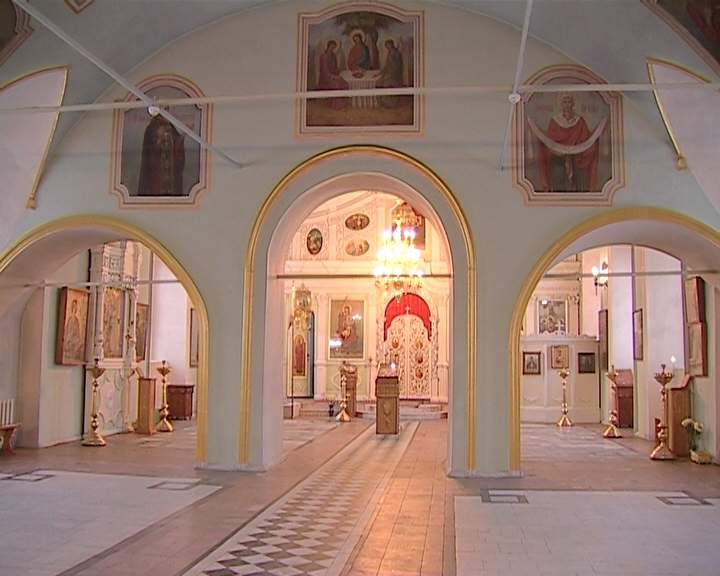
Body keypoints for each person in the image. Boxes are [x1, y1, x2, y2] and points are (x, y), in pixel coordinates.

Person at [529, 93, 605, 193]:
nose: (567, 104)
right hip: (558, 158)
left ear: (573, 104)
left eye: (569, 101)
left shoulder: (580, 121)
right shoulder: (555, 121)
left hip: (577, 158)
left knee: (579, 176)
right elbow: (549, 143)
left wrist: (591, 142)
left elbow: (586, 141)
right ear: (561, 104)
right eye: (565, 101)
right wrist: (558, 151)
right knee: (558, 172)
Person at [137, 112, 185, 196]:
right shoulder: (152, 128)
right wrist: (159, 140)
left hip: (170, 169)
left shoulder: (171, 126)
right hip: (157, 168)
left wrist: (180, 141)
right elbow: (149, 150)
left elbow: (177, 143)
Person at [317, 39, 349, 109]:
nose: (333, 48)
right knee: (336, 85)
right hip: (325, 77)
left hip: (333, 76)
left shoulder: (334, 55)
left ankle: (342, 102)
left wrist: (338, 70)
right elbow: (325, 71)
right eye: (332, 46)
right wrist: (334, 77)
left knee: (345, 83)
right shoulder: (323, 56)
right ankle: (337, 105)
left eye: (334, 47)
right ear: (328, 46)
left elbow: (334, 68)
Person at [377, 39, 404, 107]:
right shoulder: (390, 53)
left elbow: (398, 66)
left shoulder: (397, 53)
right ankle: (385, 102)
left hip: (395, 74)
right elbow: (387, 65)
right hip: (389, 73)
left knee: (386, 83)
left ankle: (391, 103)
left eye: (388, 45)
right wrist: (380, 73)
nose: (387, 47)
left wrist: (390, 74)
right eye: (386, 45)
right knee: (380, 82)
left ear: (392, 44)